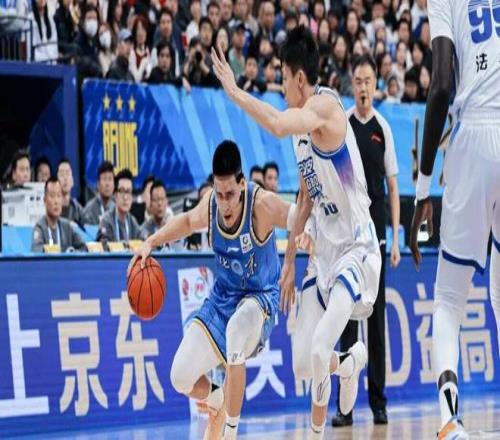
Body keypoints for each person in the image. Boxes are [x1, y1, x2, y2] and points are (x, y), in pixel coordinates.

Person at [211, 25, 381, 439]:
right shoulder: (303, 136)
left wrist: (234, 92)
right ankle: (350, 362)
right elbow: (306, 197)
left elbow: (277, 123)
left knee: (320, 349)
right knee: (305, 364)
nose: (282, 87)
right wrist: (288, 261)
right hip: (322, 251)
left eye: (284, 79)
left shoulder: (325, 109)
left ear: (299, 78)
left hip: (355, 247)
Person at [131, 140, 298, 440]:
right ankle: (217, 399)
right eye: (219, 195)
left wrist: (298, 250)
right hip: (222, 300)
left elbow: (299, 217)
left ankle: (230, 432)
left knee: (236, 331)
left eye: (230, 194)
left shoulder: (261, 205)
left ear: (242, 184)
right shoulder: (211, 205)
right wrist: (151, 243)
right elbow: (186, 221)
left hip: (259, 300)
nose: (225, 203)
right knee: (180, 376)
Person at [409, 0, 500, 438]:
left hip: (475, 136)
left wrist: (422, 189)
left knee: (447, 299)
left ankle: (449, 421)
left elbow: (442, 85)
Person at [331, 54, 401, 428]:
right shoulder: (341, 124)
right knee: (346, 317)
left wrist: (394, 238)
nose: (362, 87)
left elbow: (393, 186)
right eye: (357, 81)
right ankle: (344, 408)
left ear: (375, 85)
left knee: (374, 319)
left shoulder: (382, 128)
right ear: (351, 85)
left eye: (368, 81)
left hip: (375, 235)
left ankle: (378, 402)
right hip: (347, 234)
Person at [32, 177, 87, 253]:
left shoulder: (67, 226)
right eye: (52, 196)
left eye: (58, 196)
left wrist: (72, 253)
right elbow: (37, 251)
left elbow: (84, 248)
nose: (56, 201)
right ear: (45, 200)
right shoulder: (40, 227)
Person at [97, 168, 141, 249]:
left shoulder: (133, 222)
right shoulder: (106, 221)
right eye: (122, 191)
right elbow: (104, 248)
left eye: (128, 191)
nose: (125, 197)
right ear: (115, 195)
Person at [139, 180, 174, 246]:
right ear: (151, 203)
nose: (159, 203)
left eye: (162, 199)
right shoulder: (144, 230)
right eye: (156, 200)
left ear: (167, 202)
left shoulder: (173, 227)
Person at [57, 158, 85, 226]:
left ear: (72, 181)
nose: (65, 178)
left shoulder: (78, 210)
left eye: (67, 174)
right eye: (62, 174)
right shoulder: (52, 207)